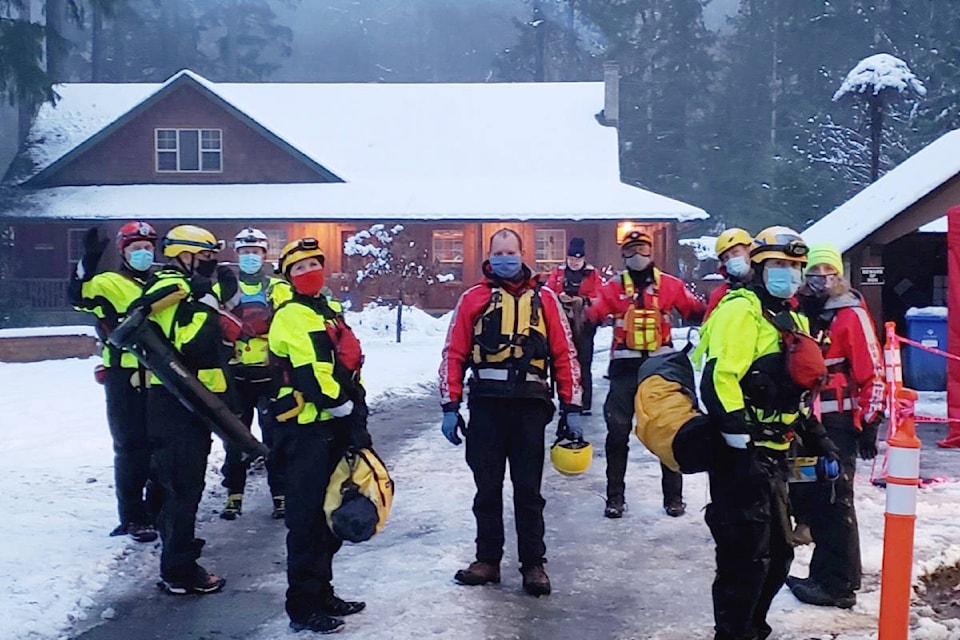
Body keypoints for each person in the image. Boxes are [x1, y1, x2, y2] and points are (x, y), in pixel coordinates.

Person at [696, 226, 840, 640]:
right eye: (779, 264)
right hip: (740, 452)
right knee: (744, 557)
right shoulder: (739, 310)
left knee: (778, 555)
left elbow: (796, 387)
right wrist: (740, 447)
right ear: (759, 267)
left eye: (795, 266)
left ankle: (753, 627)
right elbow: (719, 380)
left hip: (777, 450)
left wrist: (818, 438)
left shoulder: (791, 316)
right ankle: (735, 632)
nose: (789, 273)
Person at [439, 228, 583, 597]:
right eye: (498, 252)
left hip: (530, 405)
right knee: (487, 488)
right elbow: (453, 353)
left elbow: (565, 354)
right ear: (490, 255)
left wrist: (572, 406)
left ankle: (533, 564)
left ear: (522, 254)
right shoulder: (474, 298)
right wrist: (450, 405)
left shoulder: (545, 299)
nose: (505, 257)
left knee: (528, 490)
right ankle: (487, 560)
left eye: (511, 251)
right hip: (487, 404)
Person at [268, 238, 371, 634]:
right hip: (304, 429)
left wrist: (350, 411)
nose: (309, 272)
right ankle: (302, 606)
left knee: (328, 516)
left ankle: (323, 592)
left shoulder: (325, 309)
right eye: (299, 268)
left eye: (314, 264)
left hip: (328, 426)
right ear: (288, 277)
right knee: (306, 520)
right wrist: (341, 408)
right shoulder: (293, 314)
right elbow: (312, 374)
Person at [786, 243, 884, 609]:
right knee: (813, 499)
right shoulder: (797, 312)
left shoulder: (850, 315)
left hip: (839, 422)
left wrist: (871, 421)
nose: (820, 281)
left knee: (836, 500)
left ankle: (837, 584)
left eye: (828, 273)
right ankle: (827, 574)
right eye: (813, 274)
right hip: (804, 421)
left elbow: (873, 370)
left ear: (839, 276)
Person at [140, 224, 234, 595]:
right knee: (183, 486)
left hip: (186, 401)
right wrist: (207, 302)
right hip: (175, 401)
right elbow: (191, 343)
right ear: (185, 253)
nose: (209, 265)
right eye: (206, 257)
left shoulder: (182, 287)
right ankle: (179, 570)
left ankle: (175, 558)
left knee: (176, 483)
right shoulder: (172, 288)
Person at [586, 229, 705, 518]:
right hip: (624, 369)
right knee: (617, 432)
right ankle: (615, 497)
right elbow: (593, 315)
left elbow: (696, 311)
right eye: (630, 250)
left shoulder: (671, 285)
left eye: (641, 249)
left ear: (651, 253)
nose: (636, 255)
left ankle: (673, 498)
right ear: (623, 255)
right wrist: (580, 307)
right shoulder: (612, 288)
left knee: (669, 428)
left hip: (661, 369)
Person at [68, 221, 161, 543]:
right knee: (131, 447)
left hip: (162, 374)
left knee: (161, 446)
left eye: (148, 248)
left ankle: (158, 508)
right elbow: (78, 296)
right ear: (123, 252)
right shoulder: (108, 282)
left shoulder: (163, 282)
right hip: (125, 374)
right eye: (136, 249)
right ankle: (134, 516)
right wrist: (88, 261)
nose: (143, 254)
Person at [218, 227, 287, 521]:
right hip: (237, 374)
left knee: (275, 436)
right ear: (237, 256)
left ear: (264, 255)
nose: (250, 258)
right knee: (235, 436)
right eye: (245, 253)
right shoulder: (225, 287)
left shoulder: (277, 287)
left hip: (268, 373)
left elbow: (287, 321)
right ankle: (234, 495)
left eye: (255, 253)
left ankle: (280, 495)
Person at [545, 237, 602, 414]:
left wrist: (582, 301)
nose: (574, 262)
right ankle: (564, 401)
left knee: (583, 363)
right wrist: (559, 296)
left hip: (584, 326)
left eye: (577, 259)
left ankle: (584, 403)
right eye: (571, 259)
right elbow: (548, 291)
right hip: (562, 324)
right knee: (561, 363)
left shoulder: (592, 274)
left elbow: (599, 296)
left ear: (583, 259)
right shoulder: (558, 273)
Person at [705, 227, 754, 319]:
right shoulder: (720, 294)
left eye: (735, 252)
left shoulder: (771, 286)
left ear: (749, 250)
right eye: (726, 258)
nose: (732, 259)